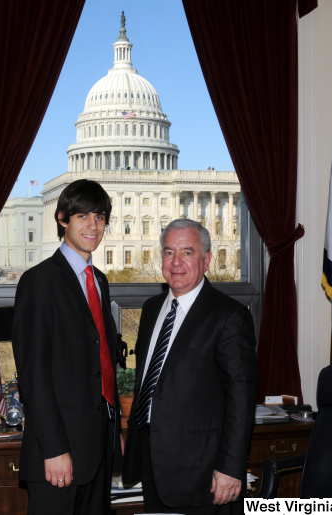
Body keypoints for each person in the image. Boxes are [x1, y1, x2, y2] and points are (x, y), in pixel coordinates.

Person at [122, 218, 257, 514]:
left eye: (187, 252)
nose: (176, 262)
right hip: (151, 463)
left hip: (202, 473)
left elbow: (241, 398)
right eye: (169, 252)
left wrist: (230, 468)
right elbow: (150, 383)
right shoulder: (151, 309)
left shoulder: (229, 316)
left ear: (206, 260)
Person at [11, 179, 122, 515]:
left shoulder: (98, 280)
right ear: (62, 219)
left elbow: (100, 362)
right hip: (58, 454)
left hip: (98, 449)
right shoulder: (38, 281)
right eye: (82, 216)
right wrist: (54, 449)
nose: (93, 226)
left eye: (100, 217)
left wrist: (114, 429)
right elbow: (34, 375)